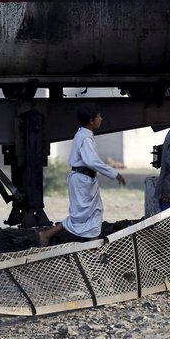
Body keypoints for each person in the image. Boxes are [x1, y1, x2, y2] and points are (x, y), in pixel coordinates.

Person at [38, 102, 126, 247]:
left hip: (85, 180)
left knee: (95, 212)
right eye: (99, 117)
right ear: (91, 121)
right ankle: (47, 235)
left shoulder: (84, 134)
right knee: (80, 217)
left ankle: (92, 247)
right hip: (82, 181)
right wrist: (114, 173)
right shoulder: (85, 137)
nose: (101, 119)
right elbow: (92, 161)